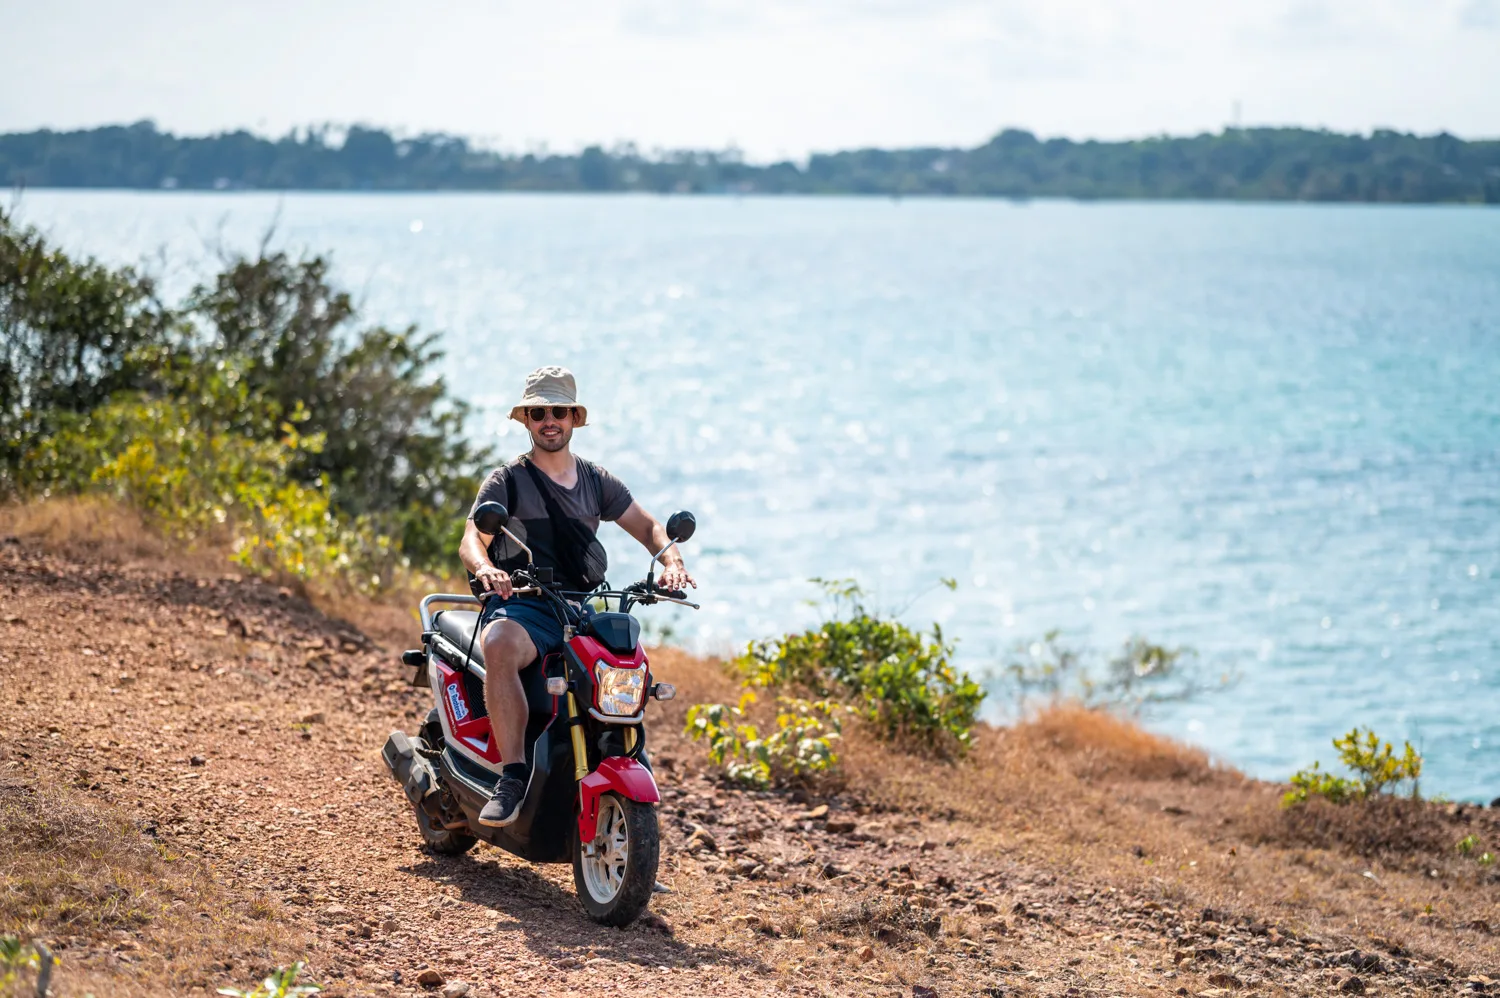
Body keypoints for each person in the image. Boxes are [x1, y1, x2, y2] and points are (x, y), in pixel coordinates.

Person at [458, 366, 695, 827]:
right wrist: (486, 568)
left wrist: (672, 562)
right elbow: (472, 538)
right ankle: (512, 775)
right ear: (526, 419)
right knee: (501, 643)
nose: (550, 419)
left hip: (578, 607)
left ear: (574, 418)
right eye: (539, 411)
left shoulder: (596, 481)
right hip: (524, 602)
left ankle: (634, 830)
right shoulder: (506, 480)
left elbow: (647, 527)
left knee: (627, 663)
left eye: (559, 411)